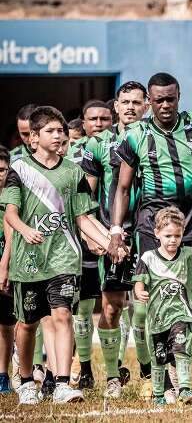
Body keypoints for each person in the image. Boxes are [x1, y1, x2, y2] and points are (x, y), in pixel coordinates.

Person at [107, 72, 192, 401]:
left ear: (179, 95)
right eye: (158, 100)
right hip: (151, 221)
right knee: (151, 299)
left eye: (171, 98)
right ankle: (160, 372)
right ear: (149, 102)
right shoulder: (138, 133)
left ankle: (177, 368)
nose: (165, 105)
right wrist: (116, 231)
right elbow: (123, 187)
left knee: (187, 298)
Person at [0, 106, 117, 405]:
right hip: (28, 261)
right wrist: (25, 231)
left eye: (61, 131)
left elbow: (84, 218)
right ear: (34, 137)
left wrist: (109, 241)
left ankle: (63, 383)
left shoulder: (73, 172)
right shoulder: (20, 169)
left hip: (64, 257)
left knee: (63, 314)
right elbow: (10, 213)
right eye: (51, 131)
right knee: (27, 324)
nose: (59, 136)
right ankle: (26, 381)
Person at [80, 81, 149, 398]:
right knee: (111, 309)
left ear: (146, 105)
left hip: (151, 232)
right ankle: (111, 375)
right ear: (116, 107)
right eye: (125, 102)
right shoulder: (97, 145)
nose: (131, 107)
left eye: (137, 101)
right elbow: (87, 197)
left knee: (150, 307)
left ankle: (152, 372)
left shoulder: (155, 138)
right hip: (113, 234)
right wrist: (94, 233)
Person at [133, 206, 192, 406]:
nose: (172, 240)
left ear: (182, 234)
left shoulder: (188, 254)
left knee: (181, 349)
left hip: (182, 314)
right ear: (157, 233)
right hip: (158, 318)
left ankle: (185, 389)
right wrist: (139, 290)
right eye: (168, 235)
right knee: (159, 357)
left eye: (177, 235)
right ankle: (159, 395)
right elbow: (139, 281)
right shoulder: (148, 258)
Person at [69, 99, 114, 391]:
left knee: (118, 307)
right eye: (93, 119)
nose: (98, 124)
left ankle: (120, 367)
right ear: (83, 122)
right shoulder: (71, 154)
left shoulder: (118, 146)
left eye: (104, 119)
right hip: (85, 238)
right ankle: (84, 367)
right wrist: (89, 233)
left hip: (116, 234)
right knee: (83, 308)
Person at [0, 147, 14, 394]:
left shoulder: (13, 199)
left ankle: (3, 376)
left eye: (1, 170)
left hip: (9, 265)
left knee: (5, 323)